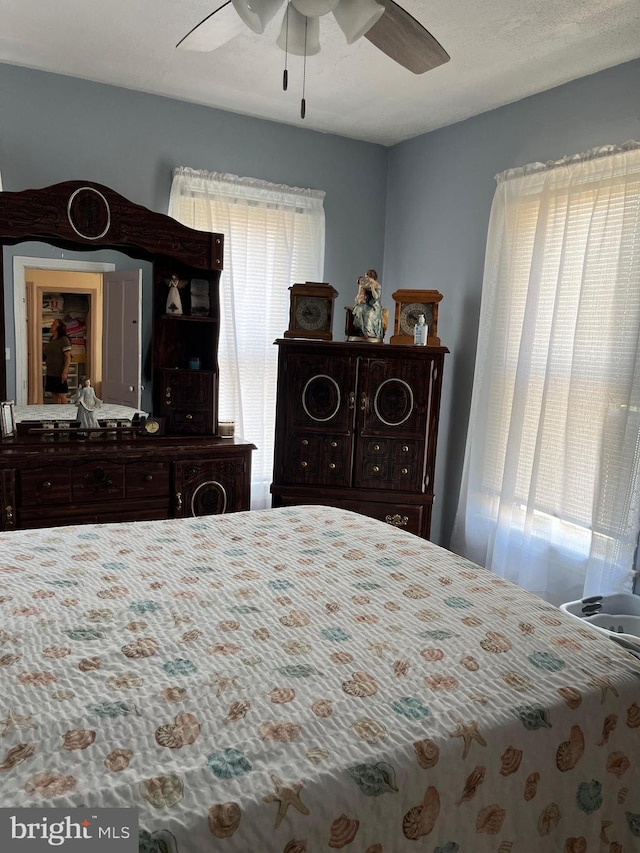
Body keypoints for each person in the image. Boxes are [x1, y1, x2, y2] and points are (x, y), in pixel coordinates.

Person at [44, 318, 72, 404]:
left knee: (61, 394)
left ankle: (68, 415)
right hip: (50, 372)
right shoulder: (51, 339)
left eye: (54, 324)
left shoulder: (63, 340)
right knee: (54, 395)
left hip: (59, 372)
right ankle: (57, 415)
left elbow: (68, 357)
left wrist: (65, 371)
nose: (52, 325)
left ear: (59, 327)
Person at [352, 269, 383, 340]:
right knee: (359, 310)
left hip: (374, 306)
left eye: (367, 277)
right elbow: (361, 292)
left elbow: (376, 297)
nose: (366, 279)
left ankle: (370, 333)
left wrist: (372, 288)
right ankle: (361, 331)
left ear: (371, 277)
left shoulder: (377, 285)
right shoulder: (367, 285)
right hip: (367, 304)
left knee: (368, 314)